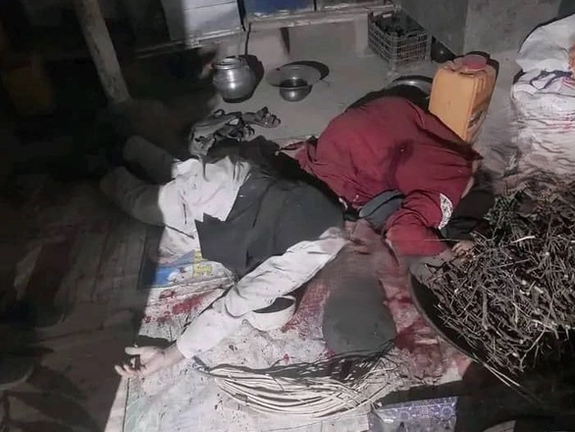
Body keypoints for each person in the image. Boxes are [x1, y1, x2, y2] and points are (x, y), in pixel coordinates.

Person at [104, 136, 347, 378]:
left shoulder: (330, 230)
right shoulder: (304, 260)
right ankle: (103, 160)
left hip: (235, 181)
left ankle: (132, 145)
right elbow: (238, 302)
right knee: (143, 204)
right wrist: (172, 354)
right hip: (219, 195)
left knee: (178, 175)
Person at [295, 96, 494, 261]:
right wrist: (447, 254)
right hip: (345, 155)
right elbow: (402, 233)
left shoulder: (463, 157)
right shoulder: (449, 193)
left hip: (371, 116)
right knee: (358, 218)